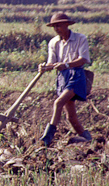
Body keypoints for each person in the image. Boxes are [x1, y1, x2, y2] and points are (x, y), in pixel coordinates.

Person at [37, 12, 92, 146]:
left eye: (59, 25)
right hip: (63, 78)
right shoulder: (53, 42)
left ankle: (47, 138)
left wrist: (66, 65)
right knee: (70, 117)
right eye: (54, 26)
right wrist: (44, 67)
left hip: (77, 76)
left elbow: (84, 59)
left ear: (67, 24)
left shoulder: (80, 38)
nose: (56, 29)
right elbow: (52, 63)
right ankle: (88, 138)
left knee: (58, 103)